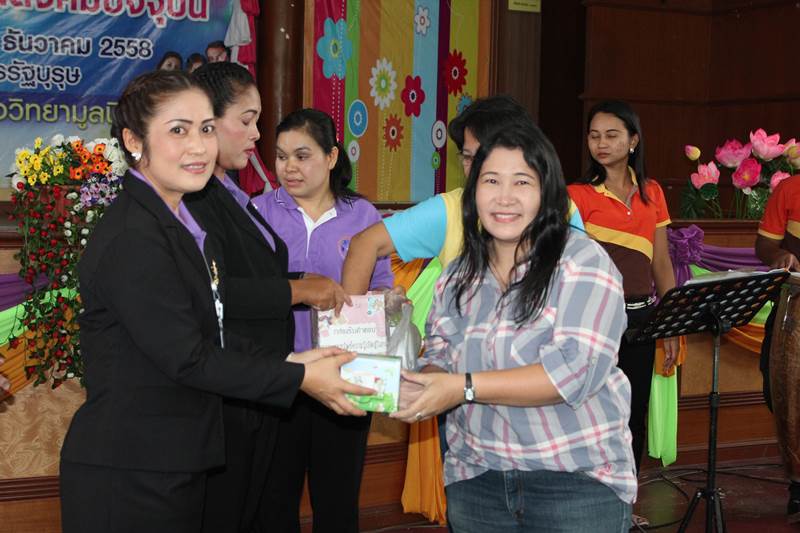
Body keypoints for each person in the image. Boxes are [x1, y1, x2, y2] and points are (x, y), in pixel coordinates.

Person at [58, 71, 371, 533]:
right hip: (134, 471)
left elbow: (213, 330)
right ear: (133, 141)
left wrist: (292, 359)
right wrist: (300, 377)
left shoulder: (177, 223)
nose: (199, 147)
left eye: (206, 129)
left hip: (175, 459)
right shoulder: (134, 236)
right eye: (178, 130)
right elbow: (189, 357)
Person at [392, 122, 635, 532]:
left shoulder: (582, 261)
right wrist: (416, 385)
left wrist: (462, 387)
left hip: (575, 483)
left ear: (547, 193)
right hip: (477, 480)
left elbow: (571, 373)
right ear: (473, 191)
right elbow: (441, 356)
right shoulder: (457, 275)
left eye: (522, 182)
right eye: (491, 181)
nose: (504, 197)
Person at [184, 62, 351, 532]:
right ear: (208, 122)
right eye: (247, 120)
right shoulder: (195, 198)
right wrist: (298, 289)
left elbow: (253, 270)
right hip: (232, 387)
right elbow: (212, 289)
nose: (256, 135)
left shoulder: (229, 191)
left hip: (260, 387)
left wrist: (302, 281)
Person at [253, 108, 394, 533]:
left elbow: (381, 283)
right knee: (273, 502)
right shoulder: (258, 212)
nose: (288, 167)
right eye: (281, 157)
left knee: (338, 502)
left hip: (346, 374)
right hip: (281, 375)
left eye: (302, 156)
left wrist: (387, 299)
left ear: (331, 157)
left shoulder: (362, 215)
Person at [341, 95, 584, 294]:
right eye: (468, 157)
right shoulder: (449, 210)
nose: (477, 168)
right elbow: (364, 243)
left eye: (486, 156)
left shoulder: (560, 206)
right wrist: (354, 326)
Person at [567, 99, 678, 527]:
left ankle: (623, 507)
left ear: (633, 141)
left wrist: (671, 324)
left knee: (631, 416)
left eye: (612, 135)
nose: (601, 143)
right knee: (590, 414)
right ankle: (583, 503)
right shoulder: (576, 196)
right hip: (593, 321)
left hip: (642, 320)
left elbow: (662, 264)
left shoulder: (653, 194)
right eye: (594, 135)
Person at [755, 173, 800, 520]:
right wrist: (779, 254)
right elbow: (764, 246)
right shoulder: (789, 189)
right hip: (793, 305)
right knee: (780, 392)